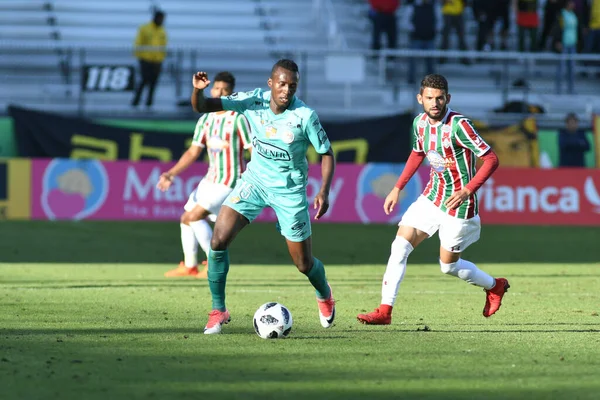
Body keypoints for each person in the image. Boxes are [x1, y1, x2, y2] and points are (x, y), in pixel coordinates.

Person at [190, 59, 336, 335]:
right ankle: (218, 310)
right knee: (218, 240)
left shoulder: (304, 116)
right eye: (282, 84)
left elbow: (326, 153)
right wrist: (198, 91)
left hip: (289, 191)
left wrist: (324, 190)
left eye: (292, 85)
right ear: (271, 84)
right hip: (254, 182)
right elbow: (203, 107)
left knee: (303, 263)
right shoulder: (251, 100)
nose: (286, 90)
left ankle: (324, 293)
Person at [357, 74, 509, 325]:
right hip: (432, 196)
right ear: (420, 99)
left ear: (448, 98)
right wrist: (397, 187)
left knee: (448, 266)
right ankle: (385, 311)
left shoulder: (460, 125)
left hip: (459, 205)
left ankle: (495, 286)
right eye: (429, 98)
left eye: (440, 98)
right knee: (399, 247)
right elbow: (418, 153)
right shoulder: (419, 123)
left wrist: (468, 190)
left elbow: (491, 158)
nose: (435, 103)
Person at [156, 72, 252, 278]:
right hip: (211, 180)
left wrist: (255, 177)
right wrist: (171, 173)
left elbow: (252, 150)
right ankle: (190, 266)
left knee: (194, 216)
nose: (219, 93)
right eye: (217, 89)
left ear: (230, 94)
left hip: (231, 181)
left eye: (225, 91)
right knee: (185, 218)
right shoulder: (206, 120)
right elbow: (193, 151)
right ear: (212, 90)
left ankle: (213, 264)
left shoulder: (238, 119)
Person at [131, 9, 167, 108]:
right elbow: (138, 42)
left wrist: (161, 59)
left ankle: (149, 103)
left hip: (157, 61)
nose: (162, 21)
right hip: (145, 59)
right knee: (144, 80)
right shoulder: (144, 28)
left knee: (154, 82)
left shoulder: (162, 31)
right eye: (160, 19)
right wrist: (139, 56)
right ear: (155, 18)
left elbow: (163, 45)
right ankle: (135, 102)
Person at [554, 1, 579, 94]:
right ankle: (558, 89)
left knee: (572, 68)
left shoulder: (574, 14)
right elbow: (557, 28)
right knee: (561, 67)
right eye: (571, 2)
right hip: (564, 43)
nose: (573, 4)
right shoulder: (561, 14)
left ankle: (571, 89)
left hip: (572, 43)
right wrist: (558, 41)